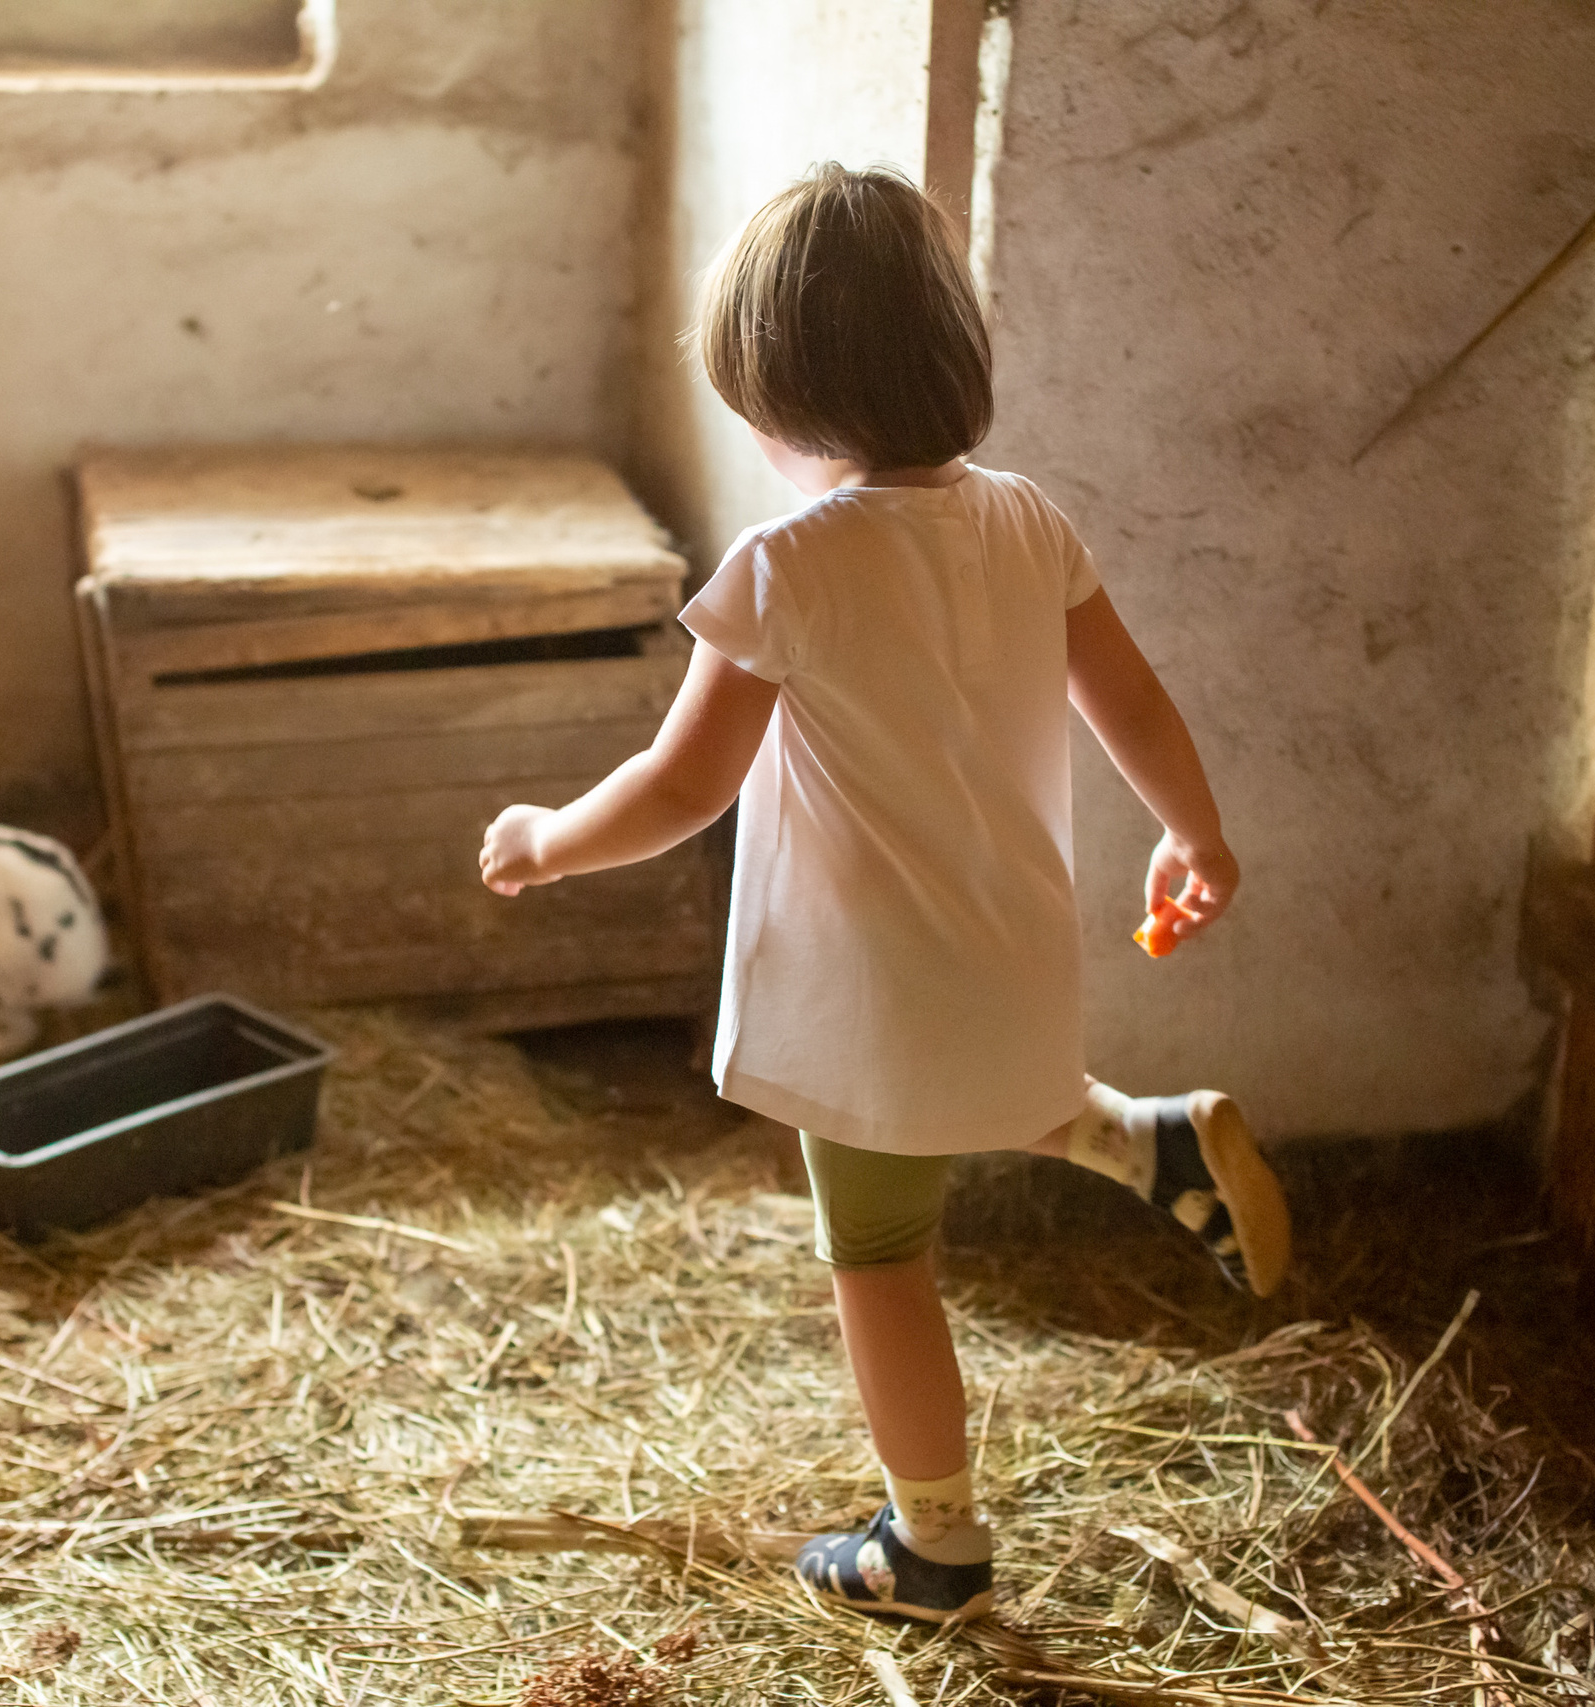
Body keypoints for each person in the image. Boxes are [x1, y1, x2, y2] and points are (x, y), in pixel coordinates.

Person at [477, 163, 1288, 1625]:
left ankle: (934, 1546)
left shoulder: (785, 569)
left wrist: (546, 837)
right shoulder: (1027, 520)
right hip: (1013, 943)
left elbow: (681, 788)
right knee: (984, 1088)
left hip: (871, 986)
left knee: (878, 1254)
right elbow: (1131, 699)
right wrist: (1197, 834)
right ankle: (1149, 1142)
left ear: (772, 394)